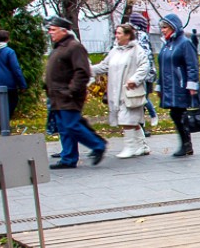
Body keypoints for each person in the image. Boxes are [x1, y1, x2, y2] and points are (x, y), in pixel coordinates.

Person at [44, 16, 106, 169]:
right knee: (64, 127)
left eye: (53, 30)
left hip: (68, 96)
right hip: (57, 96)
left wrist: (71, 90)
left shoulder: (74, 47)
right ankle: (68, 158)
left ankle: (98, 145)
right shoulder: (59, 48)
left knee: (71, 125)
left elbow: (82, 71)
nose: (50, 33)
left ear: (64, 31)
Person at [90, 23, 150, 158]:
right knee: (131, 119)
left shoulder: (137, 50)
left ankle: (130, 147)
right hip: (115, 90)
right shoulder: (114, 51)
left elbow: (144, 66)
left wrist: (134, 79)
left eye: (119, 33)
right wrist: (88, 69)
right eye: (116, 33)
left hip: (130, 91)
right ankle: (142, 145)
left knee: (127, 119)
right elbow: (104, 66)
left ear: (128, 35)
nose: (116, 36)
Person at [156, 13, 200, 157]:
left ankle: (186, 143)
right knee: (176, 114)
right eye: (162, 27)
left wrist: (192, 85)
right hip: (170, 86)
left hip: (180, 85)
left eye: (165, 27)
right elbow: (162, 66)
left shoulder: (184, 43)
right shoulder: (167, 44)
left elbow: (192, 65)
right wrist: (159, 85)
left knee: (178, 113)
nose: (163, 30)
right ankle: (185, 143)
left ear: (173, 27)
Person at [128, 14, 158, 129]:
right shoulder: (133, 35)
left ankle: (152, 115)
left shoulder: (141, 36)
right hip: (135, 73)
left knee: (143, 98)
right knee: (137, 99)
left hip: (144, 74)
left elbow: (146, 56)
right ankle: (141, 124)